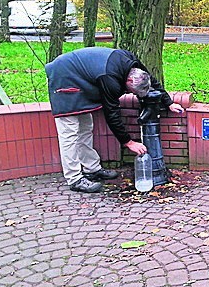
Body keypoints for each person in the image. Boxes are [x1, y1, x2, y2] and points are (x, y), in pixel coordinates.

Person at [45, 47, 184, 193]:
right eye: (131, 91)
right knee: (70, 133)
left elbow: (151, 81)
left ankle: (92, 169)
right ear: (129, 80)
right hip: (63, 76)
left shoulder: (134, 66)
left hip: (81, 76)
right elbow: (111, 113)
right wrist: (128, 142)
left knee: (86, 127)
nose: (130, 93)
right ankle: (74, 179)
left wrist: (169, 102)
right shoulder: (109, 78)